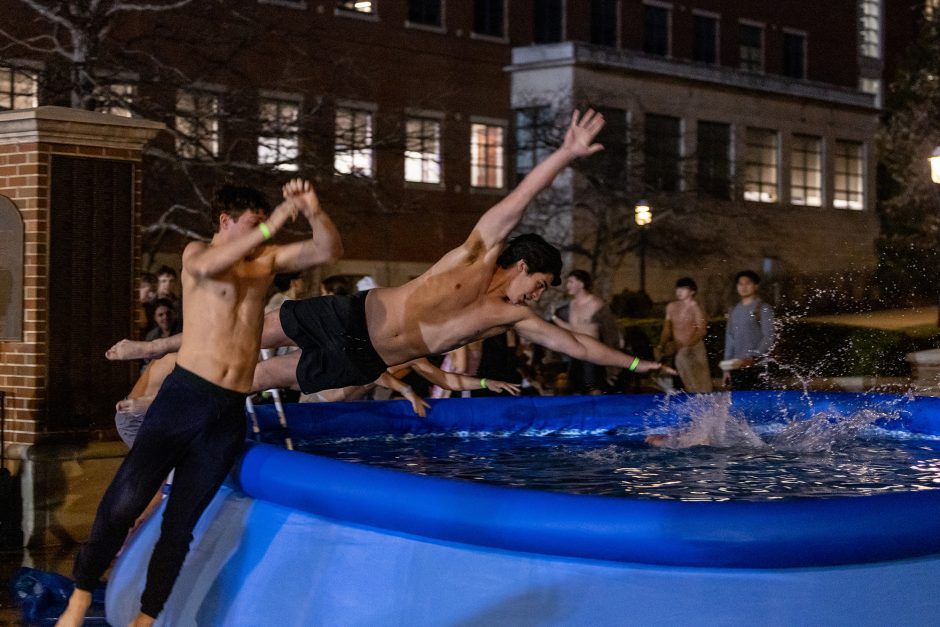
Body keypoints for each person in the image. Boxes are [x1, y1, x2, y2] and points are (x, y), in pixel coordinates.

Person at [105, 110, 673, 394]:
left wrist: (635, 363)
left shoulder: (513, 315)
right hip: (349, 314)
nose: (539, 296)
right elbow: (519, 198)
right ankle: (152, 349)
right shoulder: (475, 256)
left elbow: (573, 342)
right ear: (523, 265)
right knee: (244, 330)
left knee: (249, 378)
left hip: (362, 360)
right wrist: (567, 153)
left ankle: (169, 390)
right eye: (541, 283)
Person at [56, 179, 341, 627]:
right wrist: (277, 222)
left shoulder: (262, 262)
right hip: (184, 398)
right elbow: (215, 264)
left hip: (226, 411)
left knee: (181, 523)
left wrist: (312, 210)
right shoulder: (196, 256)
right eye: (252, 224)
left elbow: (328, 250)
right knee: (124, 501)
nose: (260, 233)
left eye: (263, 225)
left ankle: (147, 618)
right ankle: (81, 593)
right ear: (226, 222)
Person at [551, 270, 620, 394]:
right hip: (575, 351)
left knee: (593, 386)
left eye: (571, 282)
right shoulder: (572, 304)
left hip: (591, 352)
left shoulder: (595, 303)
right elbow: (574, 328)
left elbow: (609, 329)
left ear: (581, 284)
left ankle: (597, 412)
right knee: (575, 386)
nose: (568, 286)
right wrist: (555, 318)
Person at [722, 270, 775, 390]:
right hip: (737, 366)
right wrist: (726, 368)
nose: (743, 287)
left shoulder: (763, 308)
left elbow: (769, 337)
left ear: (756, 286)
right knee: (738, 405)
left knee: (760, 404)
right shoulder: (734, 311)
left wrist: (753, 356)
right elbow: (730, 340)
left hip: (758, 366)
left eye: (747, 283)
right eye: (740, 284)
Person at [658, 277, 712, 393]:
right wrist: (661, 346)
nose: (679, 291)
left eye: (683, 289)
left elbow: (701, 330)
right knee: (677, 383)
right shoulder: (671, 307)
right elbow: (667, 328)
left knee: (698, 384)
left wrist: (687, 345)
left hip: (694, 349)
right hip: (677, 349)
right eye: (678, 288)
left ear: (692, 292)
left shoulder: (696, 307)